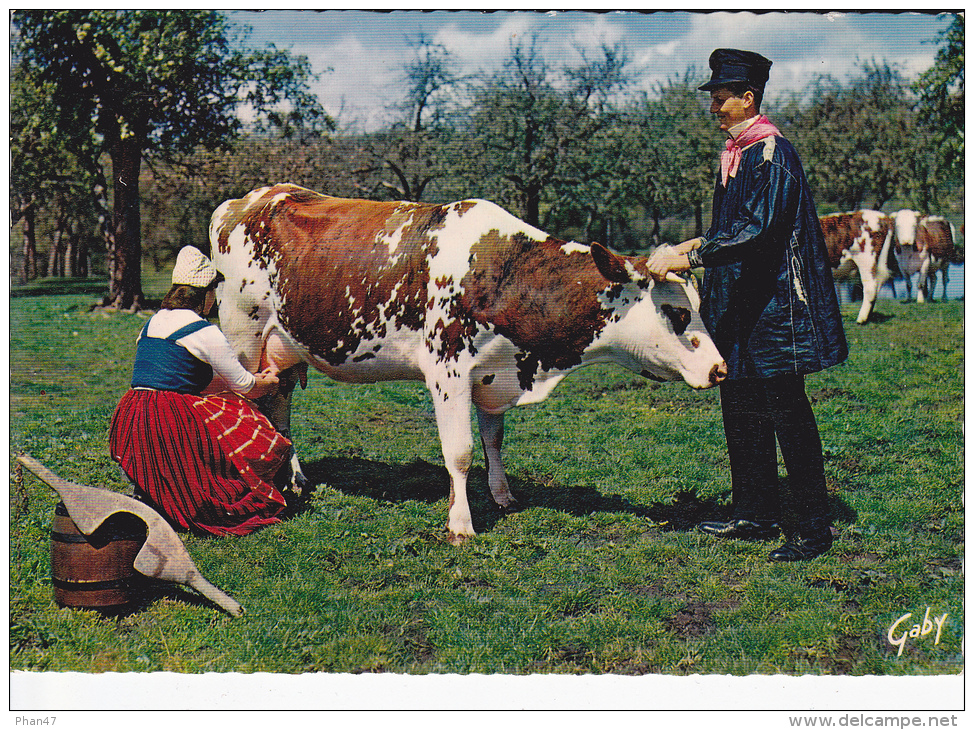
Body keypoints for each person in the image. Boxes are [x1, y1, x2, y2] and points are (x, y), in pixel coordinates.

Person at [647, 49, 848, 561]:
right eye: (713, 99)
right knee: (740, 410)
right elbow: (728, 231)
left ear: (747, 99)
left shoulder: (772, 155)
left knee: (788, 415)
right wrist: (687, 247)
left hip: (778, 313)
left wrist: (688, 261)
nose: (713, 108)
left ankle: (812, 530)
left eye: (720, 99)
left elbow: (758, 235)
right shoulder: (739, 155)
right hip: (742, 310)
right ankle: (753, 514)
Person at [109, 246, 292, 537]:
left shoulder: (150, 324)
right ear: (205, 294)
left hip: (132, 416)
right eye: (213, 292)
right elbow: (245, 386)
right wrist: (269, 382)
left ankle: (155, 490)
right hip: (167, 417)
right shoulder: (204, 331)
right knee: (244, 416)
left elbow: (182, 376)